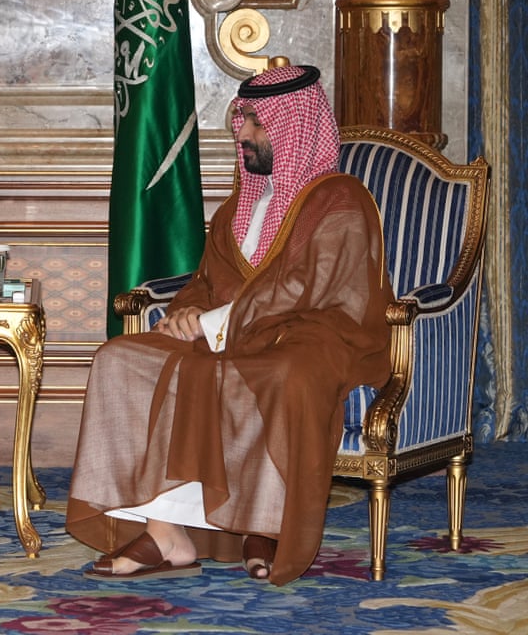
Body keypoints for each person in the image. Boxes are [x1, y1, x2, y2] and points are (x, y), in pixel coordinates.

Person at [66, 63, 393, 586]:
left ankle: (262, 524)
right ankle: (166, 532)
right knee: (120, 359)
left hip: (317, 336)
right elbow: (208, 278)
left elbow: (306, 289)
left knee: (280, 374)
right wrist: (187, 312)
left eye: (256, 122)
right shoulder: (239, 207)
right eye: (242, 120)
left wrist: (213, 322)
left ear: (293, 126)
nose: (242, 133)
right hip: (234, 333)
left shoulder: (340, 198)